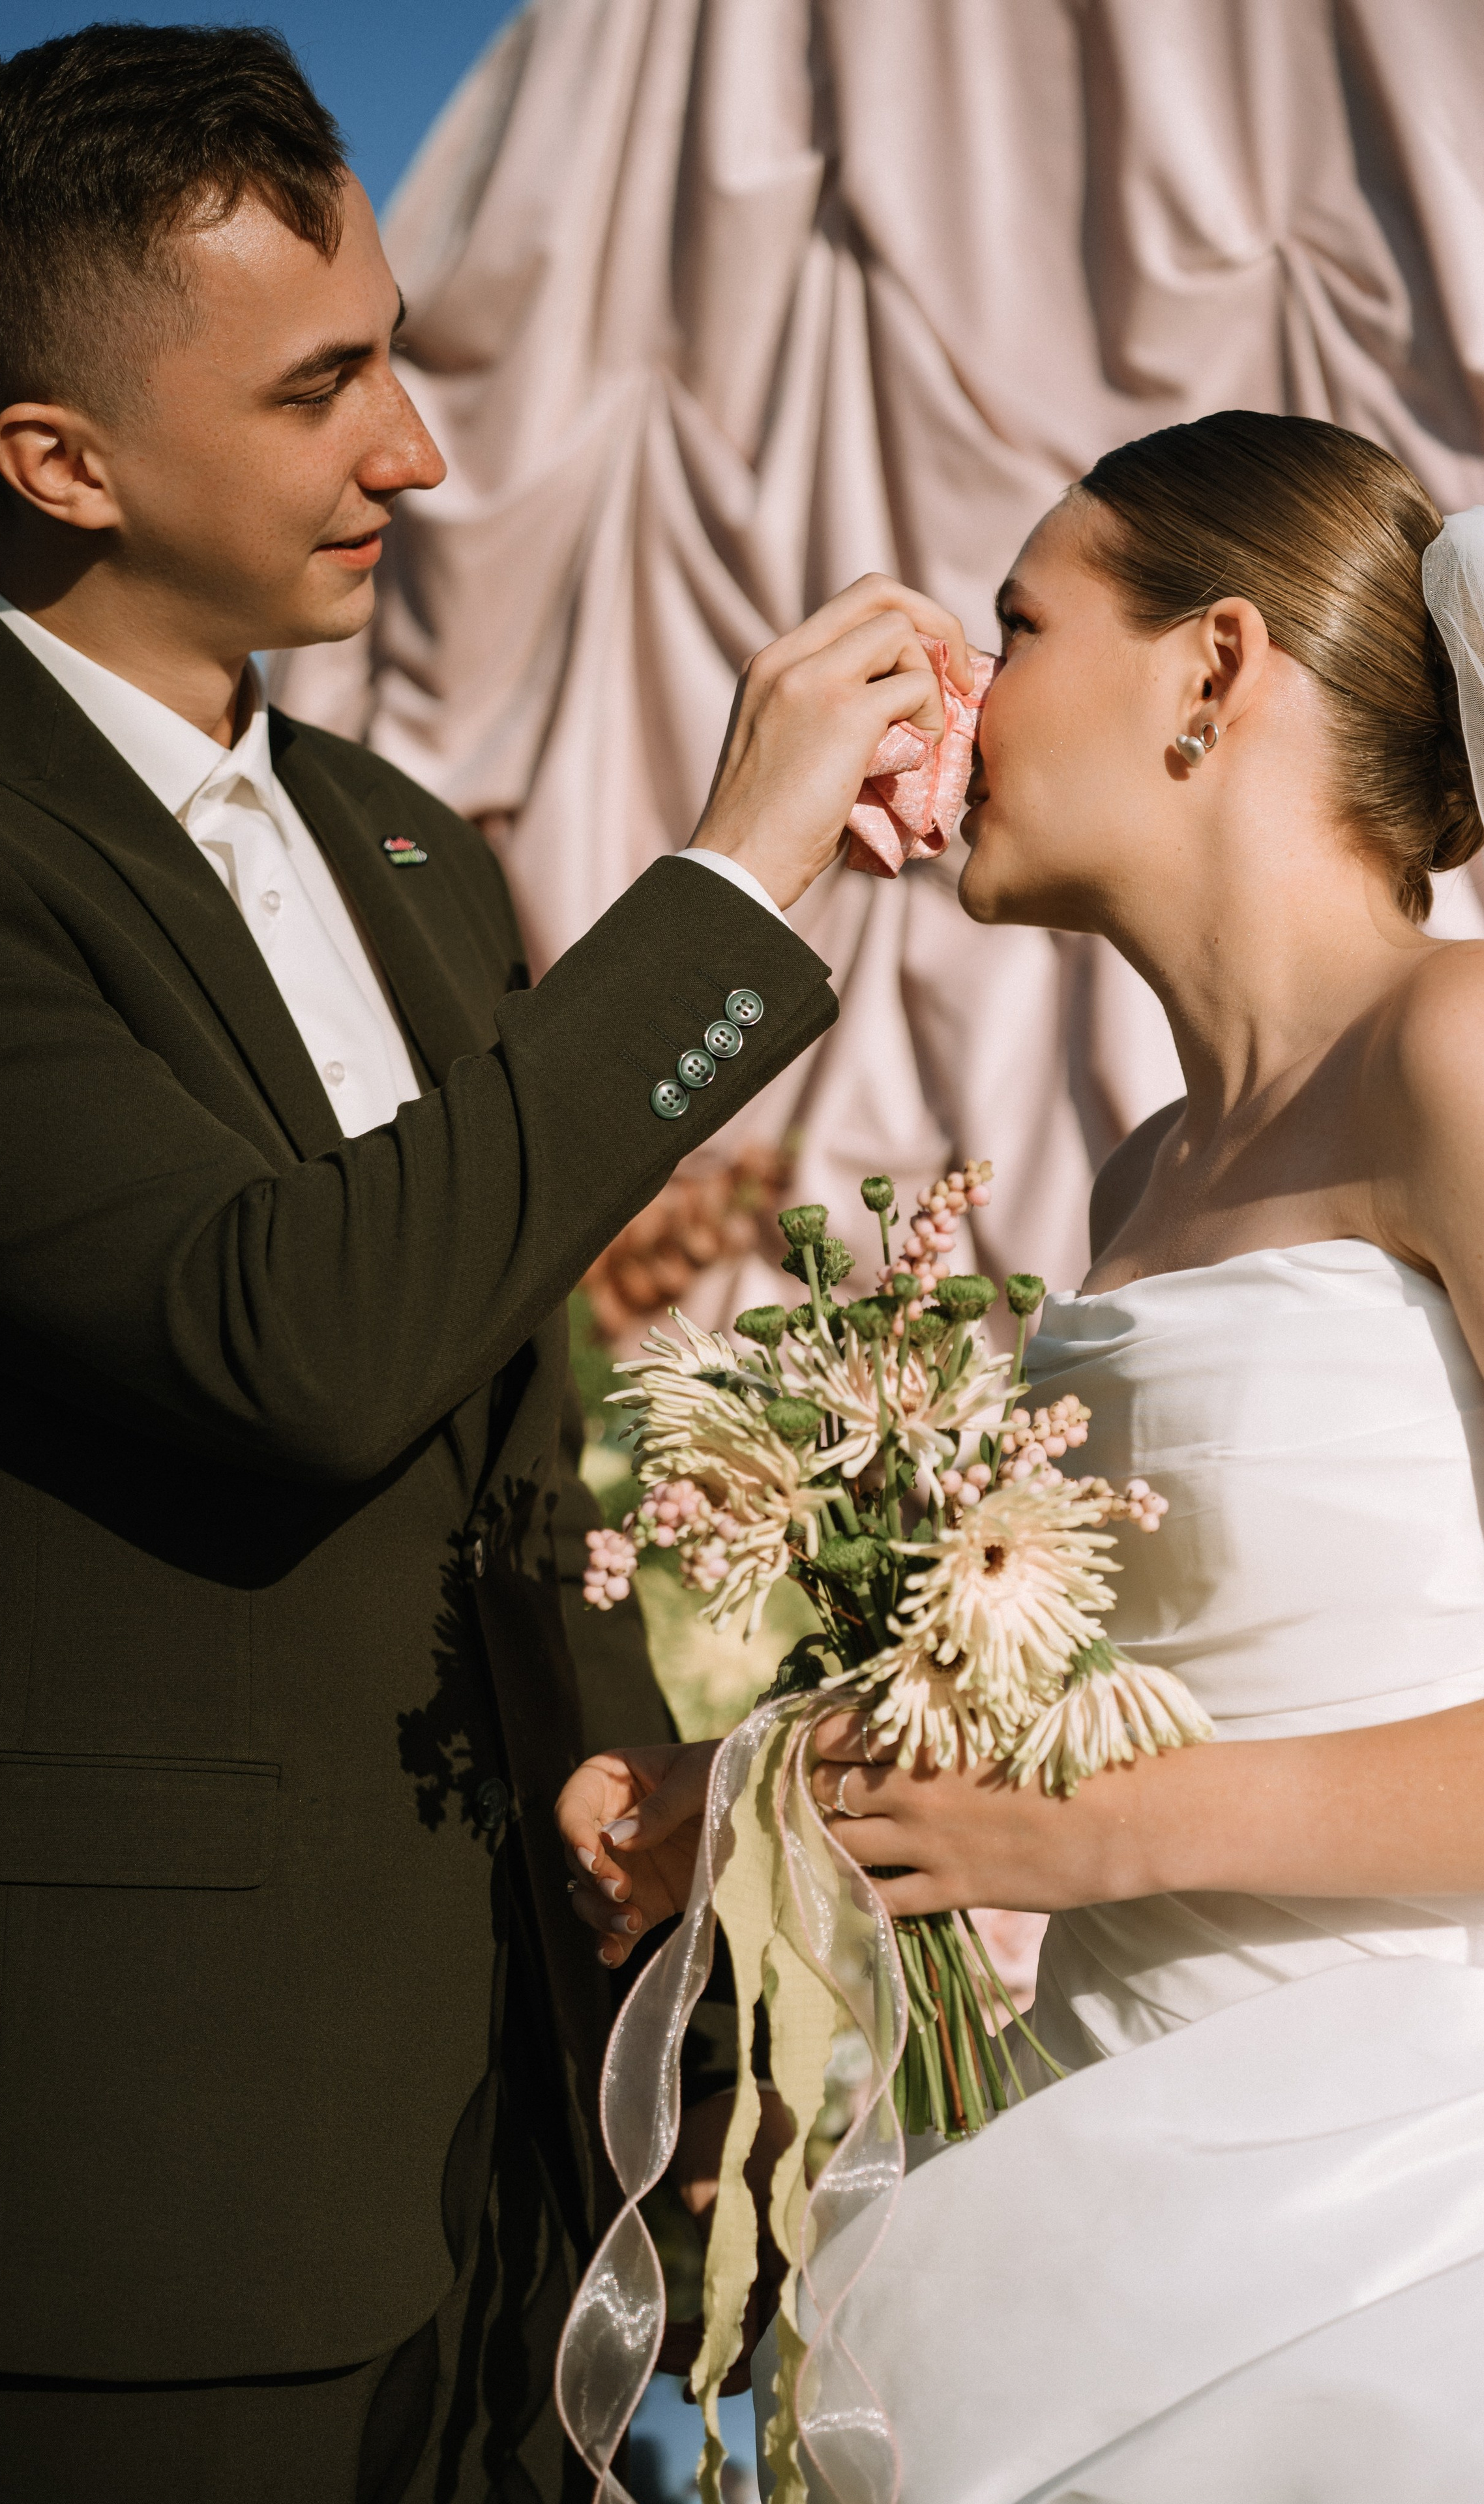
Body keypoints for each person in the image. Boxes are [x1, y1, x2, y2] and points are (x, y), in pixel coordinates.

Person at [0, 23, 970, 2502]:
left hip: (513, 2179)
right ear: (61, 460)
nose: (415, 453)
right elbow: (294, 1339)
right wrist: (728, 887)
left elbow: (503, 1440)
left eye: (398, 356)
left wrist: (677, 1956)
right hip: (112, 2199)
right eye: (319, 388)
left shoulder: (410, 845)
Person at [560, 409, 1484, 2497]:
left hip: (1411, 2196)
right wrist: (771, 1790)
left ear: (1214, 669)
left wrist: (1110, 1830)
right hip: (1108, 2156)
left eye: (1018, 625)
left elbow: (1125, 1791)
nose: (960, 696)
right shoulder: (1147, 1174)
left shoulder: (1460, 1048)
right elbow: (1155, 1685)